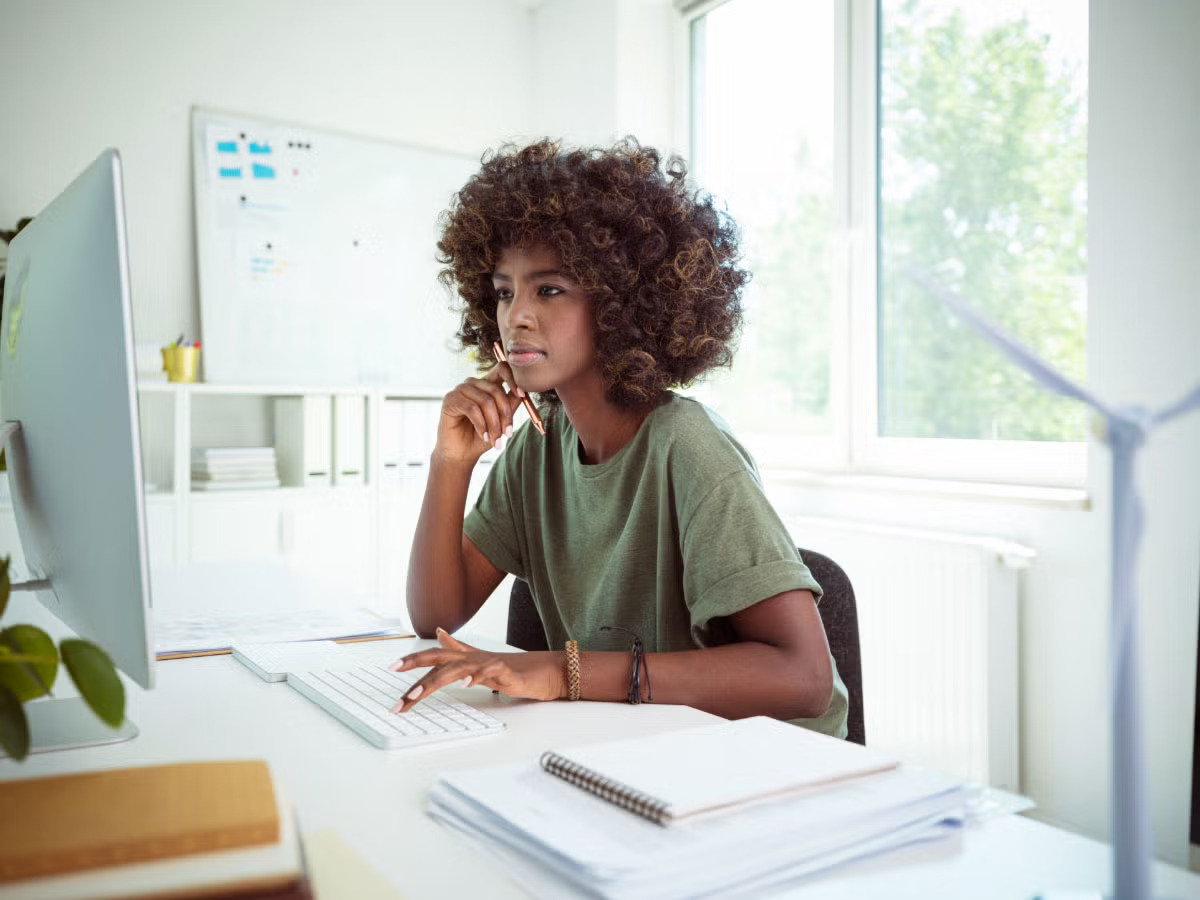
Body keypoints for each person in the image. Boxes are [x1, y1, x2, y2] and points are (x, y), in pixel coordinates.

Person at [392, 138, 848, 738]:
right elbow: (436, 616)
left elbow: (804, 681)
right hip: (634, 747)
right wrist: (450, 462)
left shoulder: (688, 445)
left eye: (548, 289)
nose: (516, 316)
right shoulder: (537, 446)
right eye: (505, 291)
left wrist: (564, 673)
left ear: (619, 303)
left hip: (759, 767)